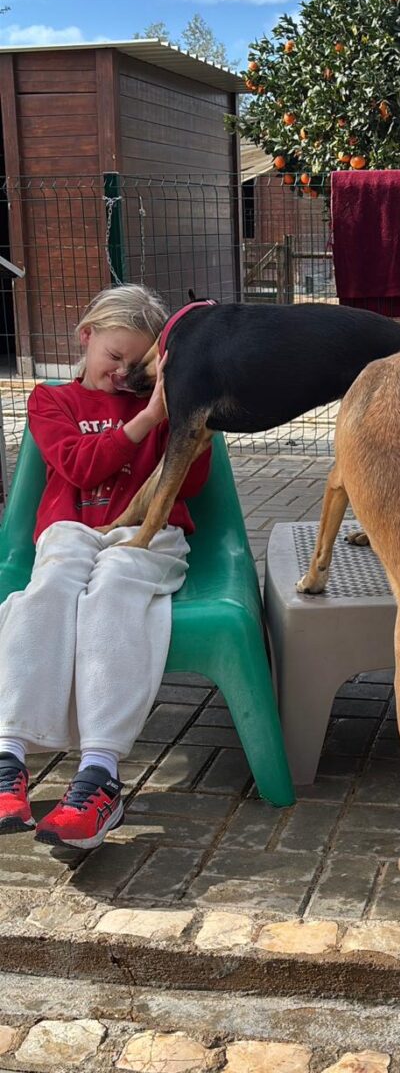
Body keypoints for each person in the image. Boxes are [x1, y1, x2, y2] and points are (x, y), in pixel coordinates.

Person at [0, 285, 210, 847]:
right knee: (47, 587)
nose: (122, 374)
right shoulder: (52, 401)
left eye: (138, 367)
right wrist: (145, 420)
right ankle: (9, 757)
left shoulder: (165, 406)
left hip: (148, 533)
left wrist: (187, 413)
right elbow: (79, 466)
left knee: (114, 586)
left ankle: (100, 776)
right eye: (114, 356)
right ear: (86, 336)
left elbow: (191, 483)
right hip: (69, 529)